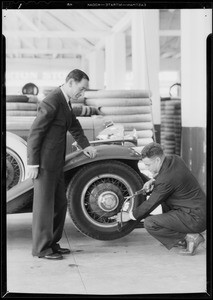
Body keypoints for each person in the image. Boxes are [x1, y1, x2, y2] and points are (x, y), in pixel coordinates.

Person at [27, 69, 97, 260]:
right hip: (44, 164)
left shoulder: (65, 101)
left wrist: (86, 146)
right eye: (81, 89)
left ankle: (52, 244)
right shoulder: (52, 101)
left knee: (59, 203)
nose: (81, 94)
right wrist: (32, 163)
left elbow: (73, 124)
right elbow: (35, 133)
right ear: (71, 82)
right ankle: (41, 249)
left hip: (57, 162)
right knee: (44, 207)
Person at [115, 142, 206, 256]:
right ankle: (181, 239)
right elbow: (169, 176)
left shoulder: (165, 181)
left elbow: (151, 203)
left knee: (150, 223)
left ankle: (191, 237)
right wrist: (153, 180)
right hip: (199, 211)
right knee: (164, 201)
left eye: (148, 165)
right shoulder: (175, 159)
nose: (148, 168)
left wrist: (130, 215)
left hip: (195, 218)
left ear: (157, 160)